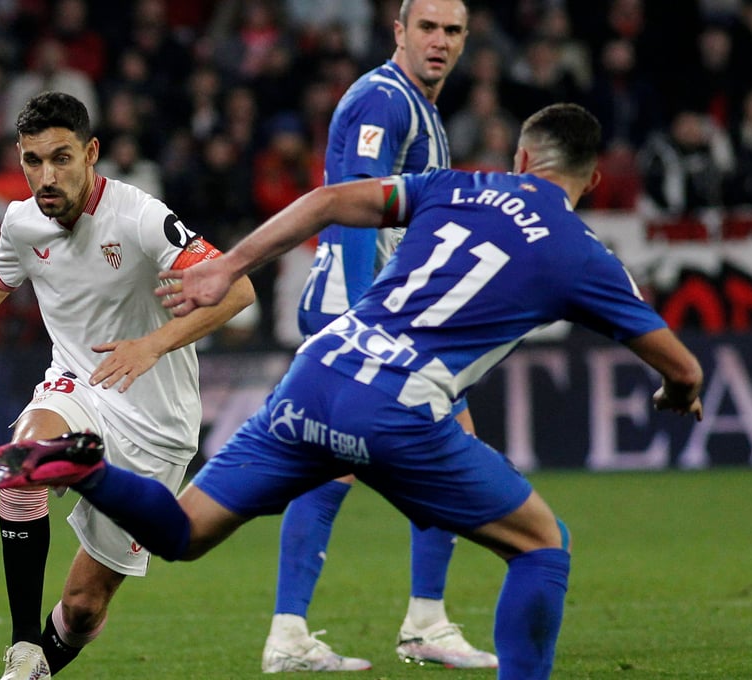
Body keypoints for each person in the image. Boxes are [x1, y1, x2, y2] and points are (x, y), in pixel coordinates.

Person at [0, 103, 705, 680]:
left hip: (318, 373)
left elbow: (328, 199)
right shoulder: (582, 252)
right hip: (399, 409)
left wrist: (225, 266)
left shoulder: (458, 187)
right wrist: (677, 390)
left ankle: (86, 469)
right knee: (544, 547)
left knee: (182, 534)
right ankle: (428, 622)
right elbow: (680, 364)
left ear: (517, 159)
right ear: (594, 181)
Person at [0, 91, 255, 680]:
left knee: (85, 609)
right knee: (25, 460)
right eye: (33, 161)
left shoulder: (140, 217)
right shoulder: (21, 220)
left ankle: (45, 658)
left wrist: (152, 345)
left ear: (91, 153)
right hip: (77, 387)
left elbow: (238, 294)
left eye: (61, 158)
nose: (46, 176)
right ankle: (22, 648)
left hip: (157, 424)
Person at [287, 0, 493, 670]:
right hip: (363, 311)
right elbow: (350, 205)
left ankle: (301, 633)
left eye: (452, 31)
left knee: (348, 464)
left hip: (376, 311)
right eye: (427, 27)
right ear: (398, 31)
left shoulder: (419, 107)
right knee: (442, 455)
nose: (440, 42)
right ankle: (419, 623)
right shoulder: (384, 99)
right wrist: (367, 316)